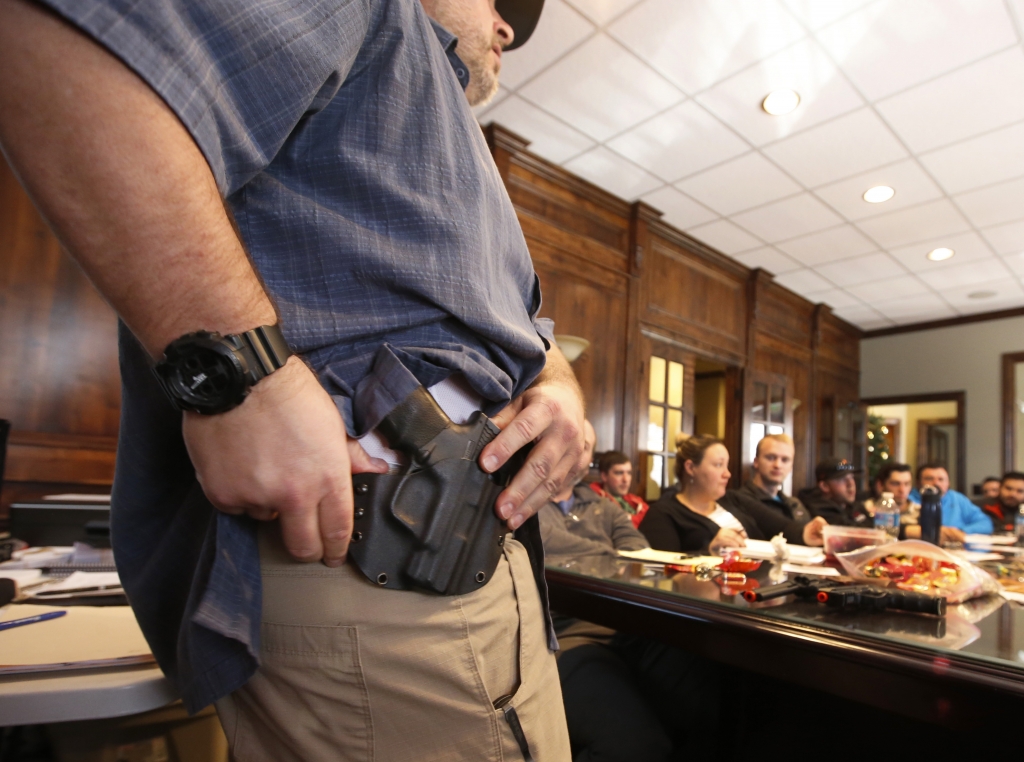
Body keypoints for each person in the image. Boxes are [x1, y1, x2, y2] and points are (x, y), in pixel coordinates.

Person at [0, 0, 589, 758]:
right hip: (374, 559)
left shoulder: (447, 138)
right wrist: (245, 378)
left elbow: (523, 329)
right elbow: (58, 39)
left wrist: (561, 383)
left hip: (460, 554)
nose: (509, 29)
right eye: (499, 3)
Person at [641, 435, 825, 554]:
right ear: (691, 468)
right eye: (718, 465)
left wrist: (807, 533)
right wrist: (709, 551)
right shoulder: (662, 514)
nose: (727, 474)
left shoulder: (732, 499)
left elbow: (779, 526)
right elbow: (663, 571)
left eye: (727, 466)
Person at [865, 463, 965, 544]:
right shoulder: (866, 508)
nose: (902, 490)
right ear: (880, 485)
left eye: (907, 484)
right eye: (895, 484)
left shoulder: (921, 511)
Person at [722, 433, 810, 524]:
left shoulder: (795, 505)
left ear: (791, 466)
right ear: (756, 462)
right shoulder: (738, 502)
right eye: (771, 458)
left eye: (785, 460)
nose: (778, 465)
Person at [910, 464, 993, 535]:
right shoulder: (908, 500)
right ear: (918, 483)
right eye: (929, 479)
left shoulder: (957, 498)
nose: (936, 483)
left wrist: (961, 531)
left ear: (948, 483)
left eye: (941, 479)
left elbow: (985, 523)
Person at [798, 458, 873, 528]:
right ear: (824, 486)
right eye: (842, 479)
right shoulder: (817, 511)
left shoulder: (853, 505)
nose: (851, 484)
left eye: (851, 477)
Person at [589, 450, 649, 528]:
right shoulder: (593, 499)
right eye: (619, 473)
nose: (626, 480)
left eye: (629, 473)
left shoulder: (634, 500)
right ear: (604, 476)